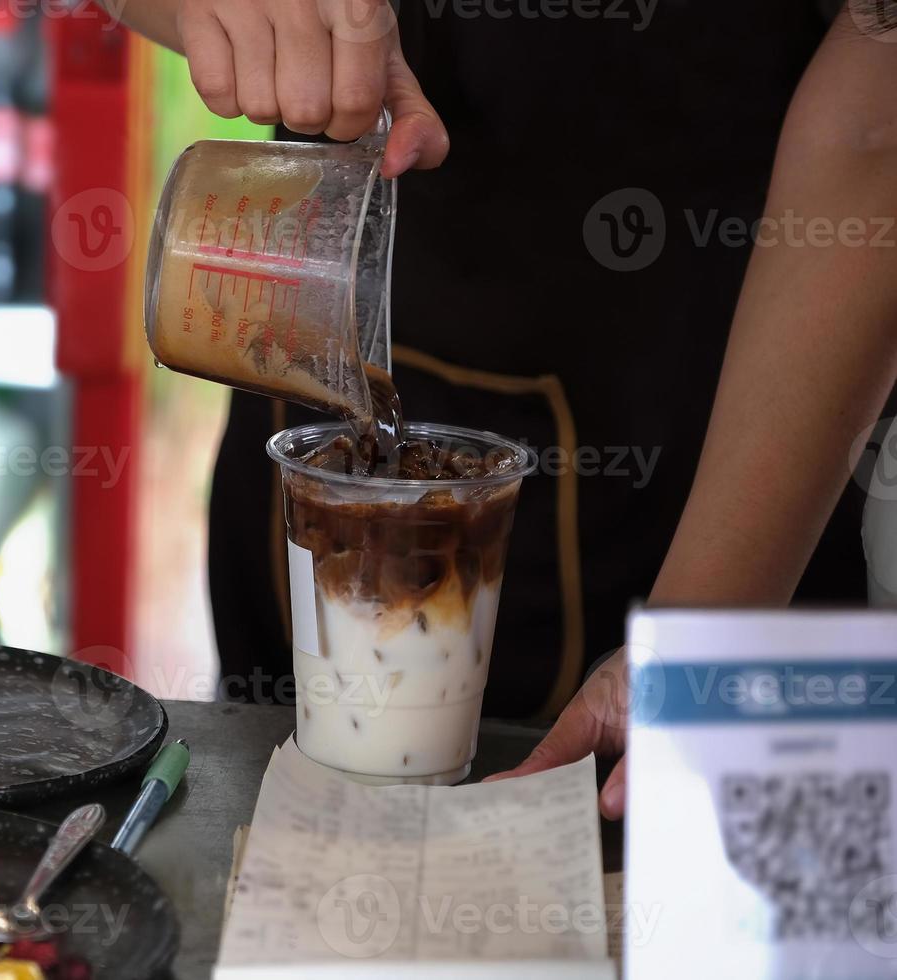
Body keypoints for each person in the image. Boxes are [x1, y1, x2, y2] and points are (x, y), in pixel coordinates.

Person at [109, 0, 897, 817]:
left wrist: (703, 633)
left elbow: (877, 129)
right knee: (299, 858)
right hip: (327, 333)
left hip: (731, 427)